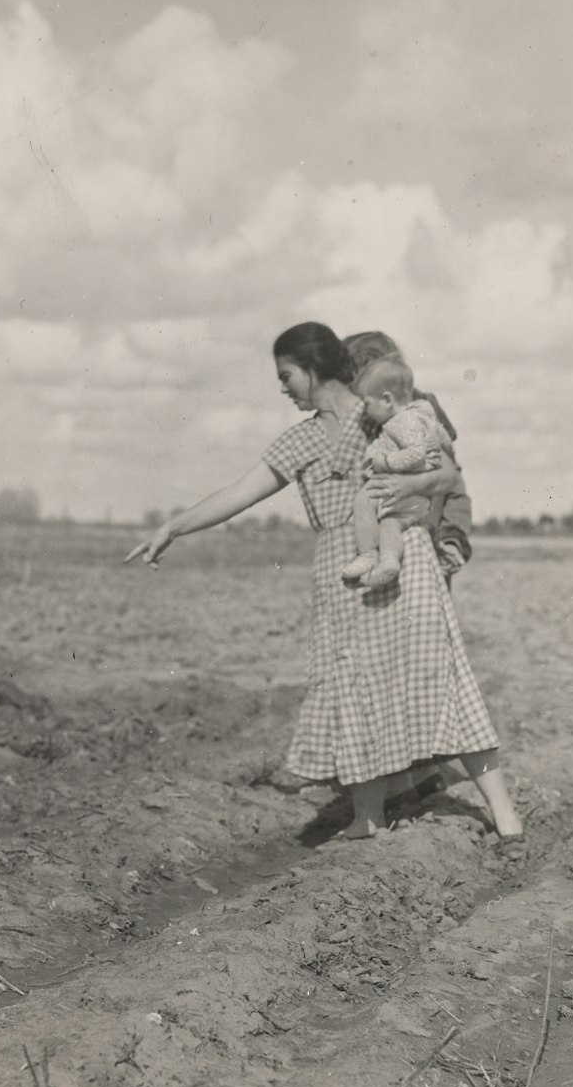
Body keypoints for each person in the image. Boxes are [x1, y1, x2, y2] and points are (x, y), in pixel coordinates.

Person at [125, 322, 524, 850]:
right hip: (341, 574)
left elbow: (447, 475)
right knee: (350, 687)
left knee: (442, 679)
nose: (284, 388)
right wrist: (172, 527)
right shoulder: (301, 440)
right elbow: (239, 493)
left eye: (287, 375)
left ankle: (505, 816)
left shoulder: (380, 410)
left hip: (405, 559)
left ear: (313, 370)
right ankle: (369, 817)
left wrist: (406, 484)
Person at [344, 332, 473, 589]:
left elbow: (449, 476)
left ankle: (451, 541)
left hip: (422, 509)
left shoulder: (419, 404)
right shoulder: (369, 411)